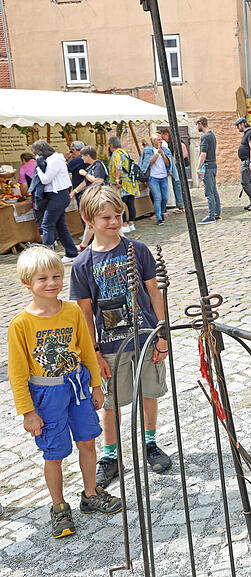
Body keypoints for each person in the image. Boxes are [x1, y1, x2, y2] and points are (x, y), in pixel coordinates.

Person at [7, 246, 122, 538]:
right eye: (42, 278)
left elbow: (85, 350)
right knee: (54, 453)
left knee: (87, 442)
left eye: (57, 276)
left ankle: (91, 493)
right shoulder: (21, 324)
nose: (52, 283)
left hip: (78, 389)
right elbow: (17, 373)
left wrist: (96, 385)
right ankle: (58, 506)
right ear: (27, 284)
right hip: (47, 398)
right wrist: (28, 411)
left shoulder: (71, 311)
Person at [70, 184, 173, 489]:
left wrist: (162, 332)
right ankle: (111, 455)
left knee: (149, 391)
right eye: (106, 218)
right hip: (111, 343)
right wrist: (94, 352)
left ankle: (150, 443)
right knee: (112, 401)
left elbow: (154, 291)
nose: (114, 222)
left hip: (145, 335)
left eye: (117, 215)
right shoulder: (83, 264)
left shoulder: (138, 250)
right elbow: (85, 312)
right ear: (89, 220)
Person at [32, 140, 79, 264]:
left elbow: (46, 179)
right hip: (57, 195)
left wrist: (38, 169)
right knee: (60, 226)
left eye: (36, 153)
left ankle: (47, 259)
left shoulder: (54, 160)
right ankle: (72, 253)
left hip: (58, 195)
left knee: (47, 225)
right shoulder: (54, 159)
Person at [70, 146, 108, 251]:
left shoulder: (98, 165)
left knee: (93, 221)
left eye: (83, 156)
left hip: (102, 197)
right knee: (90, 221)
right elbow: (85, 183)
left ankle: (86, 244)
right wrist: (74, 192)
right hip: (97, 197)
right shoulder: (92, 166)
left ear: (88, 156)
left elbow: (98, 181)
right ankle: (84, 245)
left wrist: (85, 174)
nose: (82, 158)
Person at [107, 137, 138, 234]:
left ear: (111, 146)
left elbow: (118, 166)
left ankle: (124, 224)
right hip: (130, 182)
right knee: (130, 203)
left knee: (121, 204)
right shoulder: (125, 152)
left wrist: (116, 179)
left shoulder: (116, 154)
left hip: (121, 183)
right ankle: (131, 224)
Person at [196, 117, 221, 224]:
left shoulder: (205, 137)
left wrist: (198, 168)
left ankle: (211, 216)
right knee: (214, 191)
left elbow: (203, 154)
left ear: (200, 124)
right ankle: (217, 214)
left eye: (197, 125)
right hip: (213, 165)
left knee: (209, 192)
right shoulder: (212, 135)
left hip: (208, 167)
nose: (196, 127)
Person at [157, 128, 186, 213]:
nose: (163, 138)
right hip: (176, 168)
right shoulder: (170, 144)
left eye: (163, 136)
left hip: (180, 168)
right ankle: (181, 206)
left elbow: (183, 155)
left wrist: (172, 164)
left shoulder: (177, 142)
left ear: (167, 134)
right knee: (177, 186)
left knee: (178, 187)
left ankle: (182, 207)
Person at [235, 117, 251, 211]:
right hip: (245, 161)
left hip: (247, 161)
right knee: (249, 182)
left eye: (238, 126)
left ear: (242, 124)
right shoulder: (246, 134)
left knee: (244, 182)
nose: (238, 128)